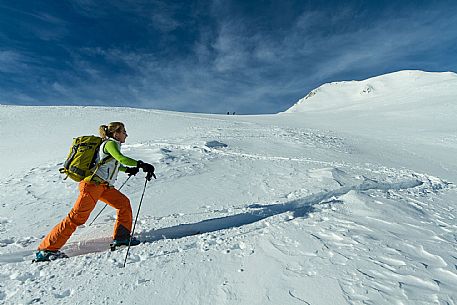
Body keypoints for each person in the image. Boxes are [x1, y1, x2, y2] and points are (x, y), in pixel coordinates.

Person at [35, 122, 155, 262]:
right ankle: (47, 250)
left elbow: (109, 163)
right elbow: (121, 159)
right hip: (92, 186)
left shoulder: (110, 145)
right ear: (116, 133)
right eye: (124, 132)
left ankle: (122, 239)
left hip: (103, 187)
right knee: (77, 218)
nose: (126, 134)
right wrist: (141, 164)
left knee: (123, 204)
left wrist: (127, 169)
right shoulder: (111, 144)